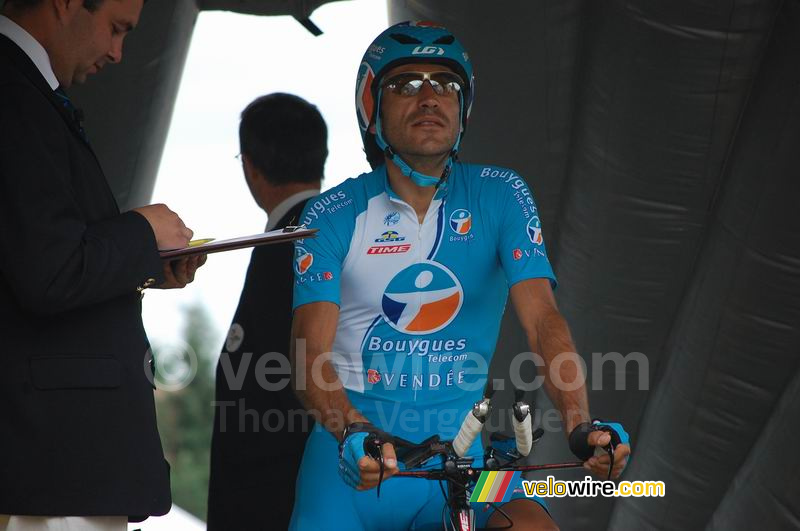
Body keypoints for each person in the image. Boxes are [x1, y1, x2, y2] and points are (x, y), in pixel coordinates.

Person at [288, 21, 632, 530]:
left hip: (464, 463)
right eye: (406, 84)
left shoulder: (501, 195)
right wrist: (351, 430)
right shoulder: (332, 214)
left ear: (463, 107)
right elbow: (307, 353)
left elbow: (543, 322)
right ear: (372, 106)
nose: (429, 97)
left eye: (445, 84)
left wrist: (582, 426)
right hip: (355, 464)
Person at [0, 0, 204, 529]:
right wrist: (143, 230)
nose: (117, 53)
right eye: (115, 29)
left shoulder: (29, 90)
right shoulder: (13, 91)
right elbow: (47, 271)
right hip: (50, 460)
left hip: (56, 461)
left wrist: (142, 263)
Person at [207, 93, 326, 530]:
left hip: (279, 502)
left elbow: (290, 381)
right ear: (321, 158)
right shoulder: (333, 230)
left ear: (250, 165)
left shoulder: (286, 243)